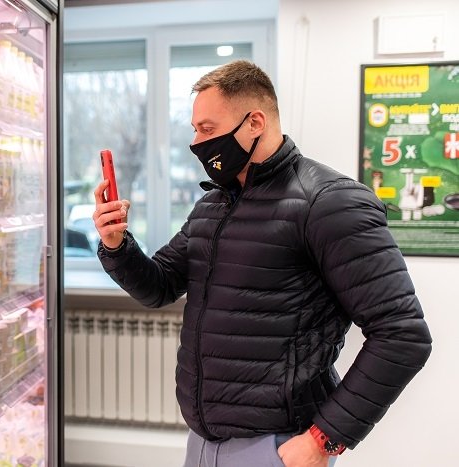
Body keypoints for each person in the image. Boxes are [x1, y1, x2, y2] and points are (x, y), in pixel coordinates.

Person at [92, 60, 432, 467]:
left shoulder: (330, 202)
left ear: (255, 122)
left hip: (279, 446)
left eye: (207, 129)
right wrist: (116, 245)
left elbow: (402, 334)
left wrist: (324, 439)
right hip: (202, 441)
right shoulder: (213, 205)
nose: (197, 143)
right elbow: (159, 286)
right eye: (195, 130)